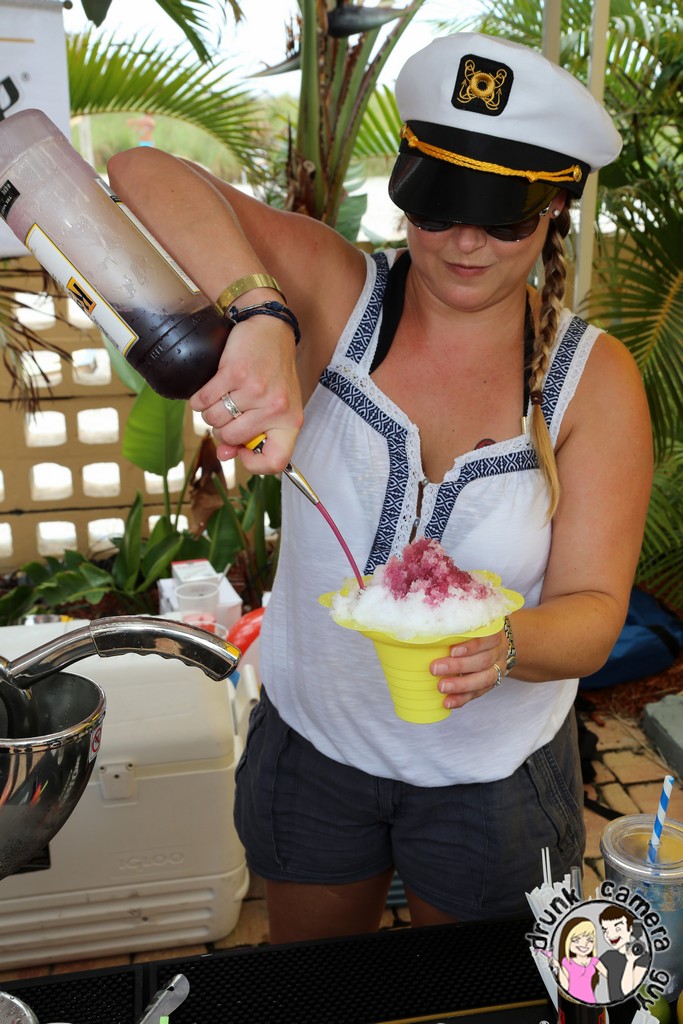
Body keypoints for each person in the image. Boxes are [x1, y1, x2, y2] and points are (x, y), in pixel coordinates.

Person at [108, 33, 653, 943]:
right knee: (318, 990)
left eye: (502, 218)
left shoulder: (593, 382)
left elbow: (594, 612)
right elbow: (137, 171)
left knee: (469, 998)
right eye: (437, 208)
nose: (465, 241)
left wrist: (501, 643)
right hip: (314, 748)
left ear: (556, 203)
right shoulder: (339, 295)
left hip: (493, 778)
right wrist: (261, 312)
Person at [598, 905, 650, 1001]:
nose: (610, 935)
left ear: (630, 928)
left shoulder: (642, 957)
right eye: (605, 930)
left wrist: (630, 961)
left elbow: (627, 991)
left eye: (617, 928)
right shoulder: (608, 956)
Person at [554, 917, 608, 1003]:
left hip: (590, 1001)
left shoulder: (594, 961)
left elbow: (610, 976)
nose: (584, 944)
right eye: (576, 940)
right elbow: (565, 987)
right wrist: (558, 967)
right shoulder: (567, 962)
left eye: (590, 940)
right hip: (572, 1002)